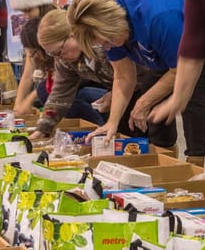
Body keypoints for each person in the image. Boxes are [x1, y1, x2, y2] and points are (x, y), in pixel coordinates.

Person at [67, 0, 205, 161]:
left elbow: (181, 69)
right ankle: (165, 158)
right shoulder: (112, 32)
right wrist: (112, 123)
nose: (108, 47)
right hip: (166, 52)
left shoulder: (158, 17)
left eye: (107, 41)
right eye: (102, 44)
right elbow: (123, 76)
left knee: (190, 98)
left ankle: (199, 161)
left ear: (112, 25)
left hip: (204, 41)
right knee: (151, 100)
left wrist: (144, 102)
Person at [36, 10, 174, 151]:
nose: (59, 57)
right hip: (124, 91)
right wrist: (42, 128)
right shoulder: (66, 61)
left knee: (157, 135)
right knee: (126, 138)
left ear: (73, 35)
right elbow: (60, 94)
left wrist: (117, 95)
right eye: (52, 54)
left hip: (155, 83)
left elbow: (136, 75)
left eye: (59, 51)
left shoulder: (103, 44)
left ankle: (169, 162)